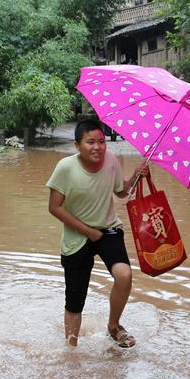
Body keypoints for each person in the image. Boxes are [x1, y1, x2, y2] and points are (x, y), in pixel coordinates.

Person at [46, 119, 149, 348]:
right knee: (75, 301)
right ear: (77, 145)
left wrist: (135, 176)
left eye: (101, 141)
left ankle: (113, 326)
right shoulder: (65, 167)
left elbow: (121, 192)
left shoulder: (111, 160)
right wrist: (87, 231)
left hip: (108, 229)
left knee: (124, 275)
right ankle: (71, 351)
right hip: (78, 235)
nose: (97, 147)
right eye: (90, 142)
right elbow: (54, 207)